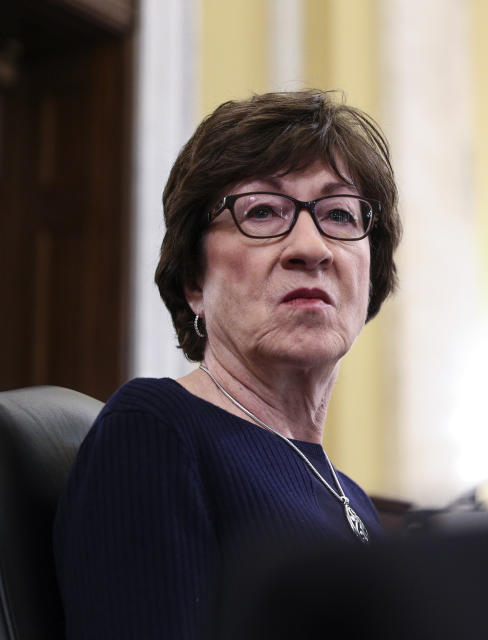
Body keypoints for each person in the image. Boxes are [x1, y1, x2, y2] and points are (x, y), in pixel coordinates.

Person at [53, 90, 402, 639]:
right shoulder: (156, 431)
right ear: (195, 280)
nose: (311, 247)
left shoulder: (352, 496)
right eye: (263, 211)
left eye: (338, 213)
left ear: (369, 272)